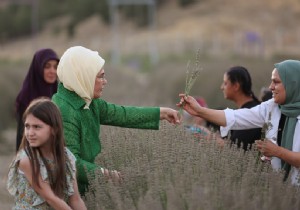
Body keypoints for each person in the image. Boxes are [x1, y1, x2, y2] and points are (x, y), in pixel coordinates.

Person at [52, 46, 180, 195]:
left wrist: (160, 113)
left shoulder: (86, 99)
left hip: (82, 189)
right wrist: (107, 175)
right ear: (83, 76)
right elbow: (71, 163)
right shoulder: (64, 111)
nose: (105, 81)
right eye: (100, 76)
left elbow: (121, 114)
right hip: (66, 194)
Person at [178, 59, 300, 185]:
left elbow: (232, 149)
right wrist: (199, 111)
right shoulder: (273, 107)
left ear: (292, 83)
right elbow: (235, 117)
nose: (270, 87)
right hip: (281, 189)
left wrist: (277, 151)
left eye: (276, 82)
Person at [7, 98, 87, 210]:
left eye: (37, 127)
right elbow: (50, 198)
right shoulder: (27, 160)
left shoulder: (67, 158)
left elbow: (75, 199)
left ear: (54, 129)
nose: (30, 133)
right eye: (27, 126)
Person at [15, 48, 59, 152]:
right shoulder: (26, 96)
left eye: (55, 67)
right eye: (47, 66)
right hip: (32, 153)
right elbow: (23, 134)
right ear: (38, 68)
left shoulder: (58, 93)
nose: (52, 71)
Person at [219, 66, 261, 150]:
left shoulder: (250, 113)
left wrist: (209, 137)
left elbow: (236, 149)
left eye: (225, 83)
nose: (222, 87)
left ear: (236, 86)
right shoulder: (251, 108)